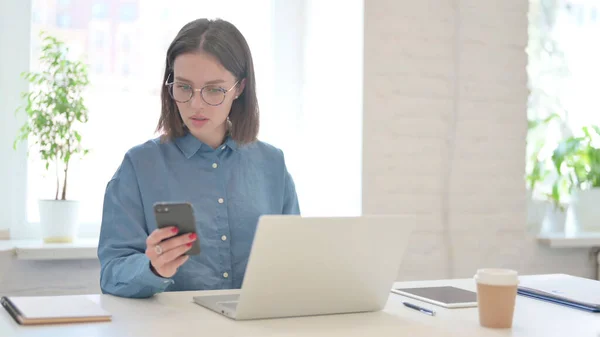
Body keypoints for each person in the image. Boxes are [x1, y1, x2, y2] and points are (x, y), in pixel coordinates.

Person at [97, 18, 300, 298]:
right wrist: (154, 268)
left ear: (239, 88)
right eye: (183, 87)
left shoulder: (272, 165)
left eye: (214, 90)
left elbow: (295, 263)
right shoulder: (140, 166)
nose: (196, 104)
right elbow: (111, 274)